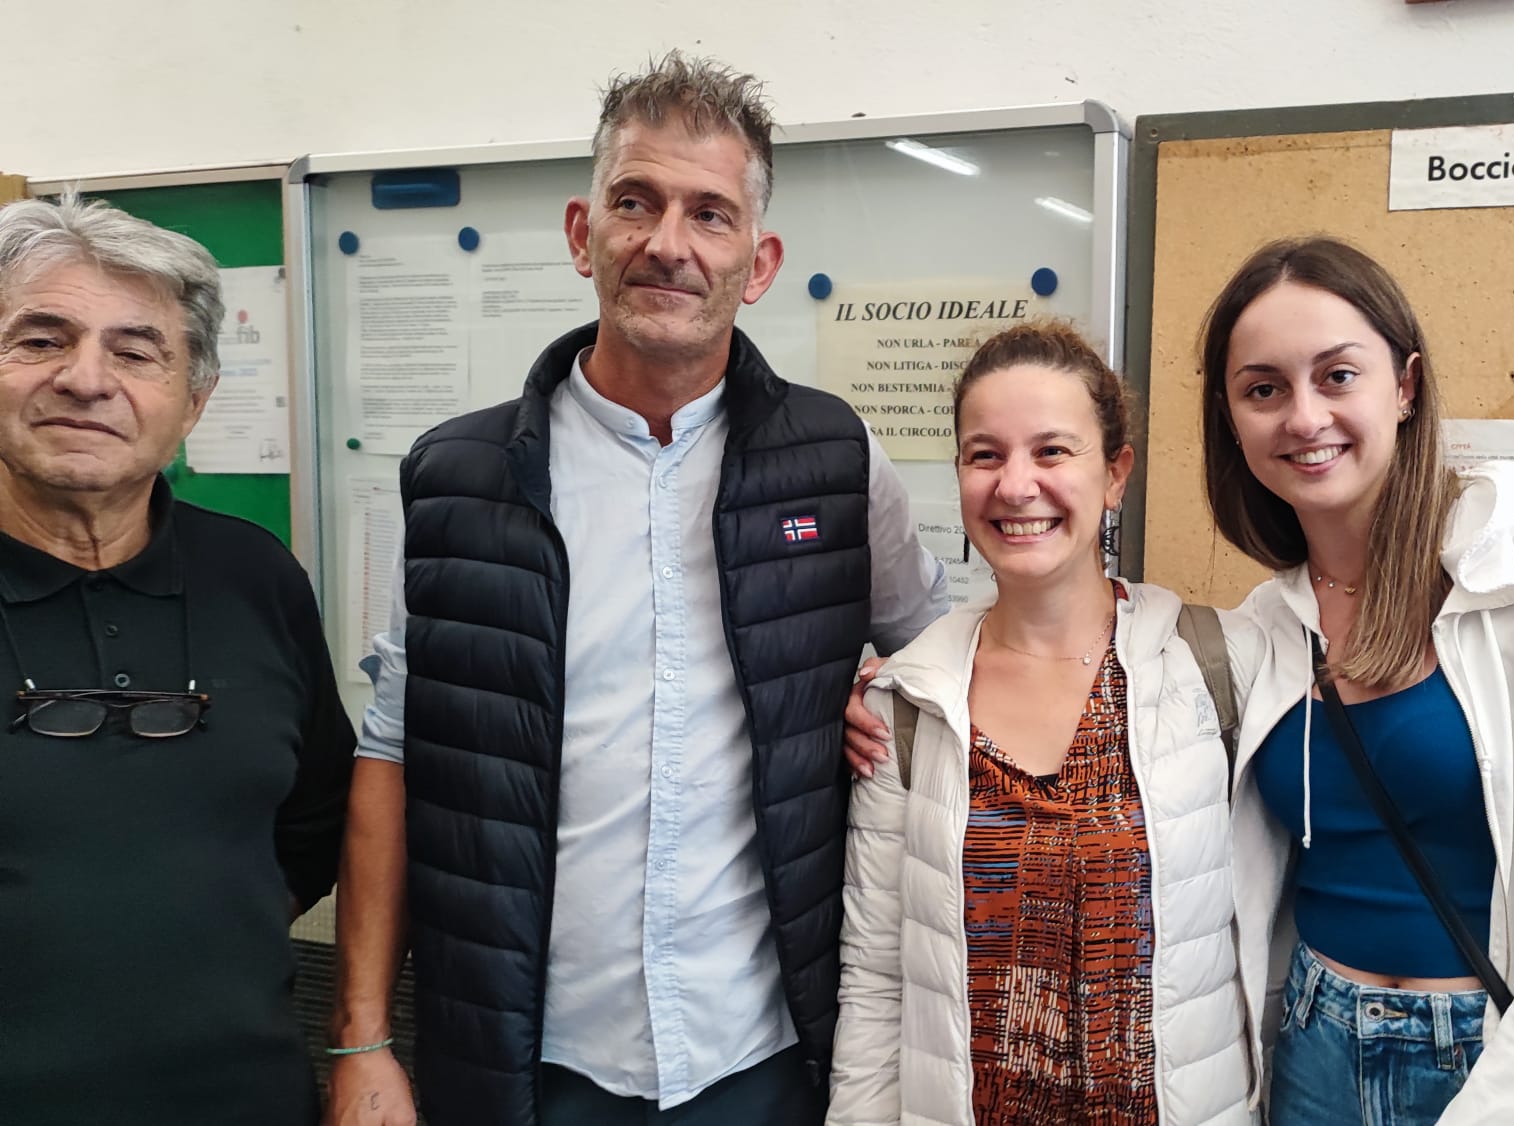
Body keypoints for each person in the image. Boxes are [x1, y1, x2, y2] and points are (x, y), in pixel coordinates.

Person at [324, 53, 946, 1126]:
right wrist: (362, 1035)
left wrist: (887, 689)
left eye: (709, 213)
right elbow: (392, 752)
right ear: (583, 234)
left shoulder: (835, 461)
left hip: (764, 1053)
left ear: (758, 262)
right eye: (634, 202)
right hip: (534, 1058)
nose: (667, 242)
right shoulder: (458, 479)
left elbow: (942, 653)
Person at [1206, 236, 1514, 1125]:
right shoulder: (1264, 628)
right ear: (1233, 420)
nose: (1304, 417)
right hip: (1313, 1044)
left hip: (1499, 1054)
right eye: (1263, 389)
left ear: (1406, 386)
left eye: (1338, 376)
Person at [828, 322, 1280, 1126]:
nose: (1016, 486)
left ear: (1116, 474)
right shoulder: (910, 707)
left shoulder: (1219, 668)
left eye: (1052, 451)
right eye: (985, 455)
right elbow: (875, 981)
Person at [0, 194, 353, 1125]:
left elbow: (315, 821)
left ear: (193, 401)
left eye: (135, 351)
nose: (86, 379)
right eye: (41, 340)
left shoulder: (256, 575)